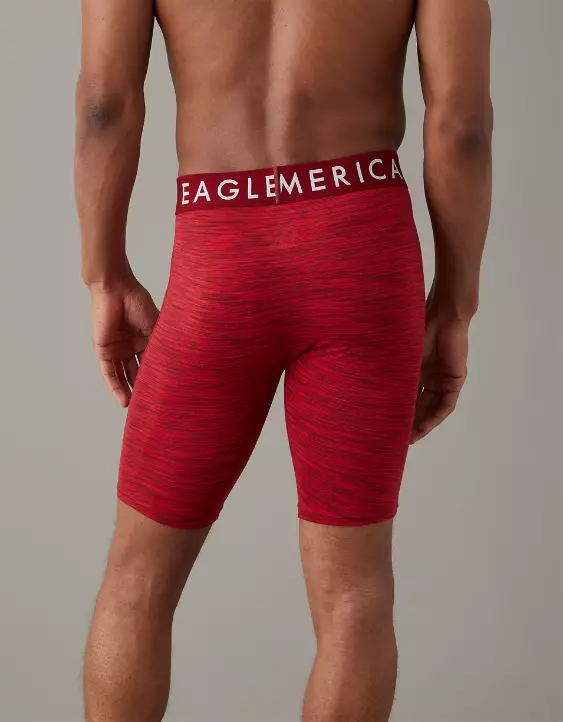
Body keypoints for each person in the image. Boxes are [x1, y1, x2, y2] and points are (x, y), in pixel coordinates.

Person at [74, 0, 492, 719]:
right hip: (360, 248)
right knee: (354, 595)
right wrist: (454, 305)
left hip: (219, 255)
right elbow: (461, 125)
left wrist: (104, 276)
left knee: (138, 578)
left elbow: (104, 107)